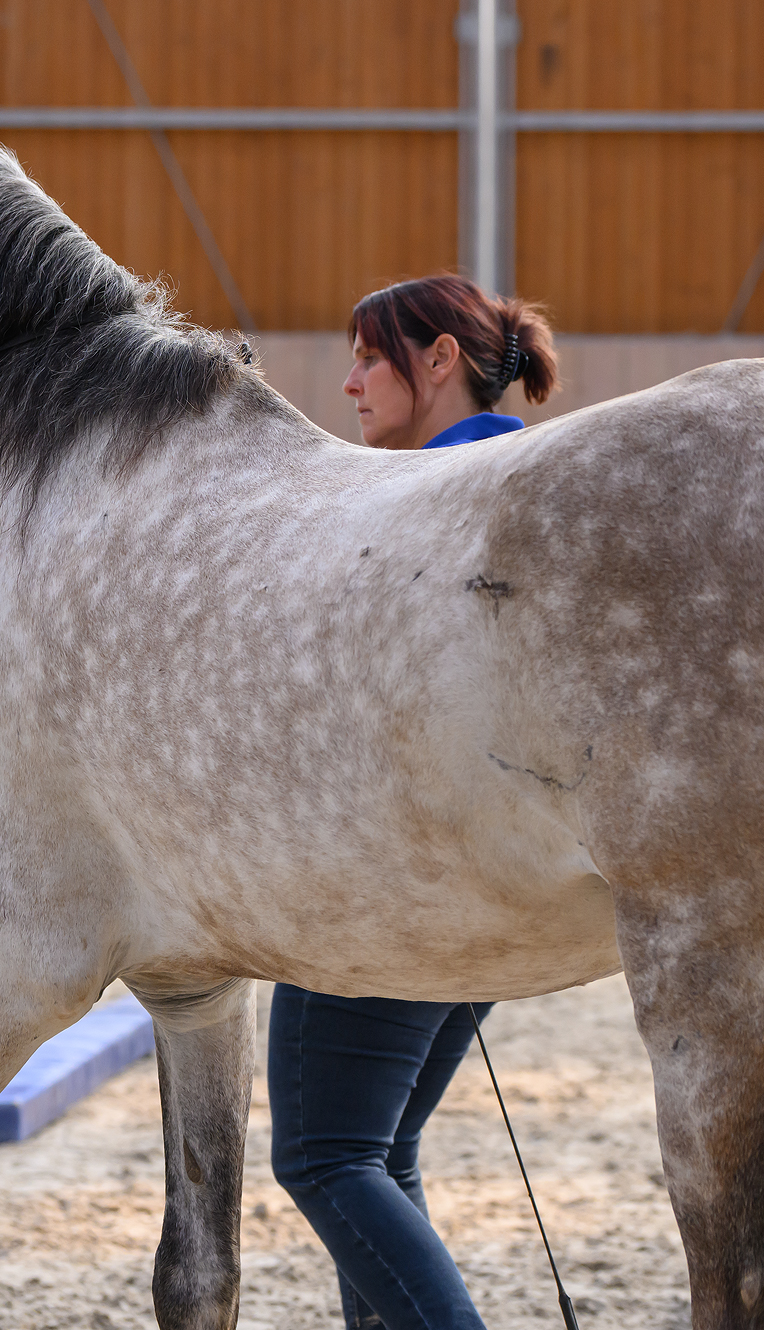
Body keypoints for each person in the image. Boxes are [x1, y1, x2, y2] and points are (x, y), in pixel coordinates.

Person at [269, 274, 559, 1330]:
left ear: (438, 360)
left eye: (367, 356)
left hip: (394, 872)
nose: (345, 382)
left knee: (323, 1155)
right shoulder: (521, 473)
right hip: (490, 880)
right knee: (377, 1153)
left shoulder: (423, 501)